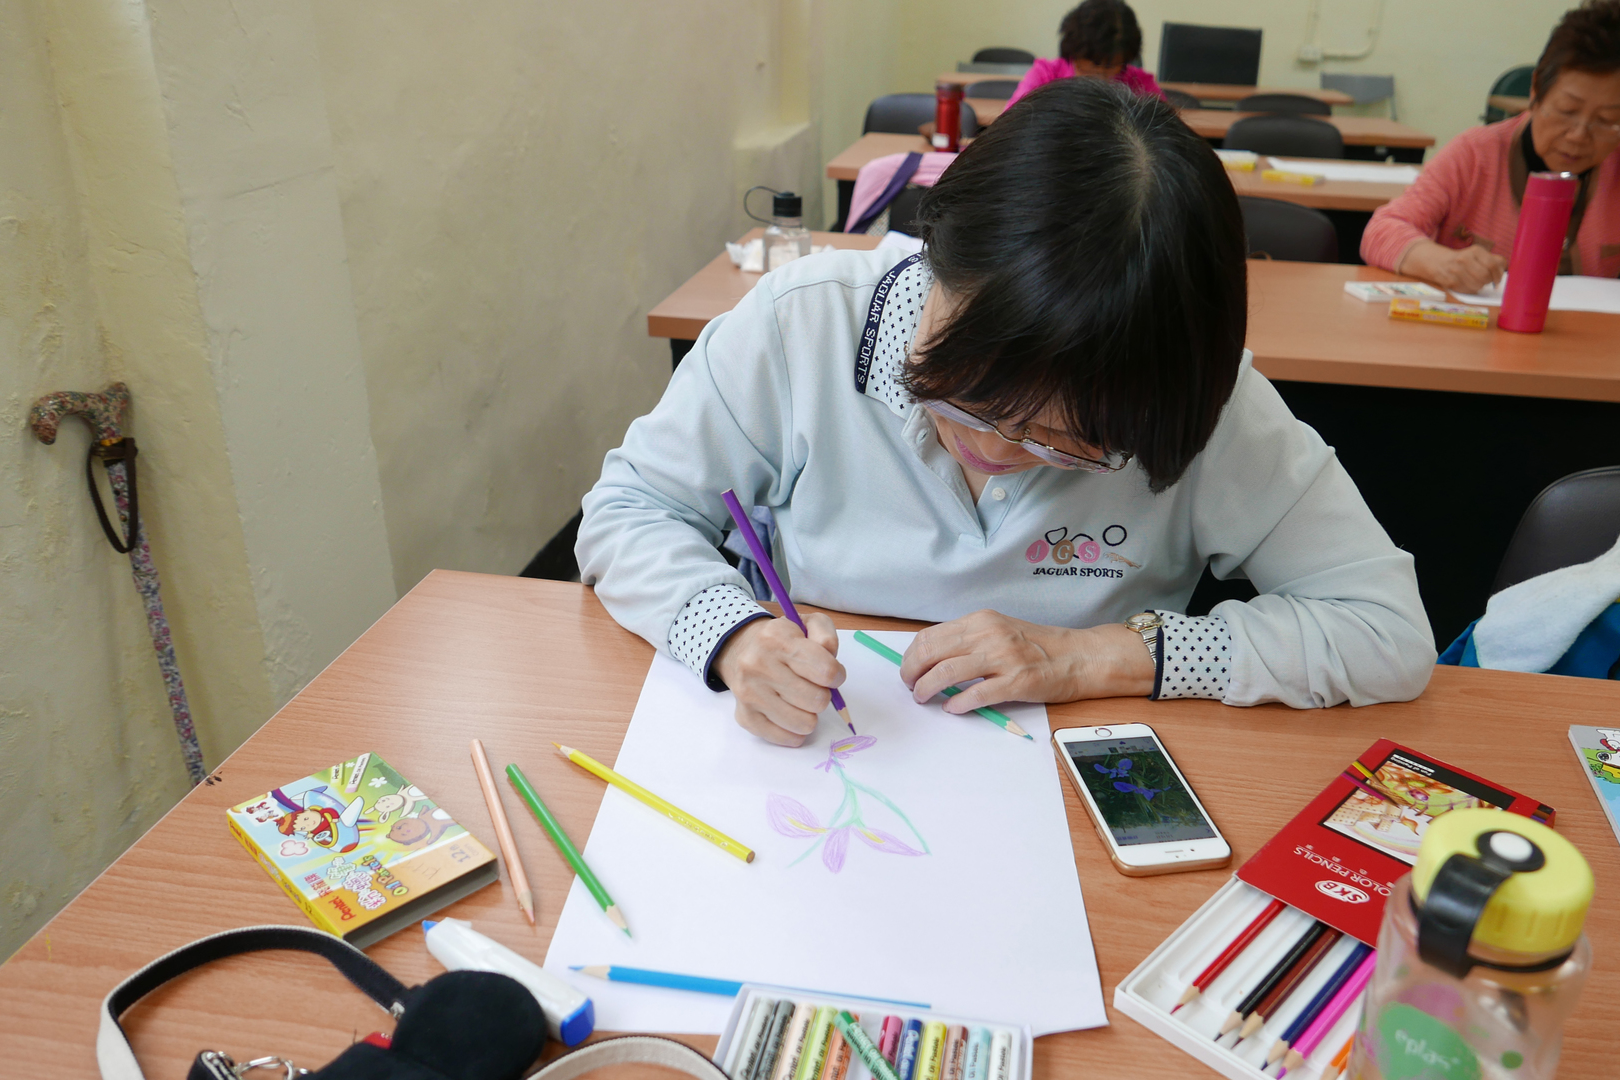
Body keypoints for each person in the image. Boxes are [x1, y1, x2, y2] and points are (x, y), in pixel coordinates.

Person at [577, 79, 1434, 747]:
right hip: (813, 748)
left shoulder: (1204, 400)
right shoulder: (806, 324)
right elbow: (629, 511)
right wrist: (733, 636)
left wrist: (1094, 656)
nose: (996, 448)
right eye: (967, 395)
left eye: (1071, 443)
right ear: (938, 256)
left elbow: (1384, 629)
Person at [1361, 0, 1620, 316]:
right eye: (1566, 110)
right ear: (1536, 91)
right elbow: (1383, 229)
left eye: (1608, 121)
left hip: (1586, 345)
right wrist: (1441, 263)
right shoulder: (1476, 153)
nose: (1578, 135)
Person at [1004, 0, 1167, 109]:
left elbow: (1167, 130)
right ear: (1074, 54)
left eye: (1110, 68)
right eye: (1091, 70)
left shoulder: (1140, 84)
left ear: (1126, 60)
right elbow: (1010, 124)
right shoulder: (1045, 76)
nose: (1100, 80)